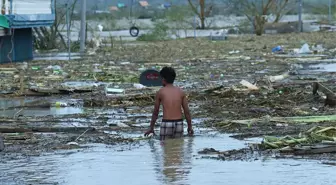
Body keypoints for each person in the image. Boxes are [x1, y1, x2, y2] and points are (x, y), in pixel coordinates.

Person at [144, 67, 193, 140]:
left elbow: (155, 112)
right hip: (179, 123)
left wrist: (151, 128)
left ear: (163, 79)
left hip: (167, 123)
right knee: (177, 147)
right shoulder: (181, 92)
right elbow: (187, 112)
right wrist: (190, 127)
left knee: (166, 147)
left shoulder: (160, 92)